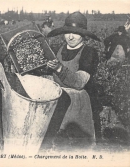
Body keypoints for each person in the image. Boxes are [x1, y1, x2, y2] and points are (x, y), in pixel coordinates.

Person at [46, 12, 103, 146]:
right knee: (55, 142)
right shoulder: (57, 49)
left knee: (75, 144)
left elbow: (79, 82)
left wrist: (59, 68)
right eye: (67, 32)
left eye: (75, 33)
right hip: (57, 100)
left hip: (77, 103)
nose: (70, 37)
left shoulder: (89, 53)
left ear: (83, 35)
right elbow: (49, 76)